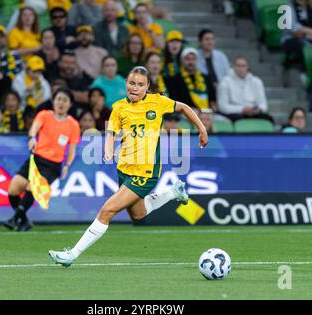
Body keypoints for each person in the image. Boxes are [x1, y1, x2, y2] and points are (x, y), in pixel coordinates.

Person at [48, 66, 209, 267]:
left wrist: (201, 129)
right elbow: (111, 134)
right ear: (126, 83)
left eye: (140, 84)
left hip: (145, 172)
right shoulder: (118, 108)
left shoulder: (157, 102)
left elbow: (184, 107)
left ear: (147, 86)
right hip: (124, 169)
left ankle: (72, 254)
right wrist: (108, 150)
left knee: (107, 210)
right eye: (132, 83)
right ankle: (172, 193)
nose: (135, 88)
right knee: (138, 214)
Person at [5, 88, 81, 232]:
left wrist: (67, 165)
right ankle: (23, 220)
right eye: (59, 99)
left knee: (32, 187)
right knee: (13, 188)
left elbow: (72, 149)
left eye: (65, 100)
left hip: (52, 166)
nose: (61, 103)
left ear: (70, 104)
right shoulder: (44, 115)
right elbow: (34, 128)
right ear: (53, 101)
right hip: (36, 159)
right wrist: (32, 137)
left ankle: (15, 219)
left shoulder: (73, 125)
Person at [217, 56, 272, 122]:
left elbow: (263, 105)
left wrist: (257, 110)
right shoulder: (224, 82)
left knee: (268, 119)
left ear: (248, 67)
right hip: (235, 114)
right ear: (233, 67)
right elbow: (223, 107)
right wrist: (242, 110)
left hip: (253, 113)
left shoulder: (257, 81)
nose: (241, 68)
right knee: (238, 119)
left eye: (243, 66)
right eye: (238, 66)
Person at [281, 0, 312, 70]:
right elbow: (293, 28)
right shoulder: (288, 7)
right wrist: (310, 32)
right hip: (291, 39)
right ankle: (306, 70)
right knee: (301, 45)